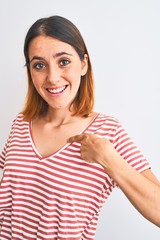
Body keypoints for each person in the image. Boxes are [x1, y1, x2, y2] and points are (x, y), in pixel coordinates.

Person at [0, 15, 159, 240]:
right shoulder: (21, 123)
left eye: (63, 61)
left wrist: (109, 159)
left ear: (83, 64)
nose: (52, 77)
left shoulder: (107, 132)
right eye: (39, 65)